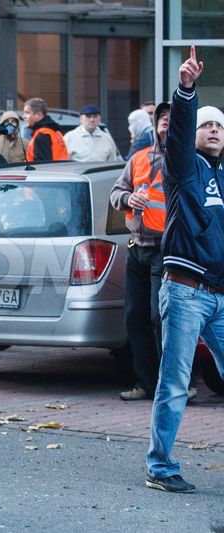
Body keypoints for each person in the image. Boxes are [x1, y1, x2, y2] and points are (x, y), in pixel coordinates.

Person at [146, 46, 224, 494]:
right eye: (206, 124)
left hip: (219, 293)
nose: (213, 130)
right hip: (184, 289)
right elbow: (176, 135)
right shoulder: (183, 167)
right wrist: (187, 89)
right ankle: (160, 467)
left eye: (219, 125)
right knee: (174, 382)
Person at [110, 102, 198, 402]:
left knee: (160, 317)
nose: (165, 122)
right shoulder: (138, 159)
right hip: (137, 248)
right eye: (162, 117)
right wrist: (127, 198)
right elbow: (115, 193)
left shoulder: (186, 160)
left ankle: (177, 385)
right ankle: (145, 383)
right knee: (135, 318)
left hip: (168, 250)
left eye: (172, 119)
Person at [23, 98, 69, 162]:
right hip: (60, 169)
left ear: (38, 115)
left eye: (27, 113)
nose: (24, 116)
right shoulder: (54, 131)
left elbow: (42, 164)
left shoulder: (42, 134)